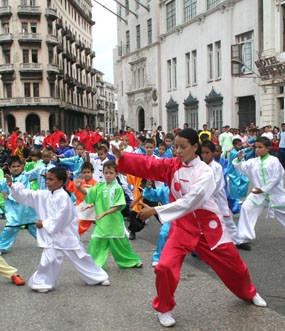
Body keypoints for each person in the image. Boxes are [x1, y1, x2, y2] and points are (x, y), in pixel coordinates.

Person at [112, 128, 266, 328]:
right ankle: (164, 308)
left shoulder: (206, 172)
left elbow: (191, 201)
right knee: (165, 266)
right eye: (175, 147)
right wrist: (124, 157)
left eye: (183, 147)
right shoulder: (172, 165)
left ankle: (249, 293)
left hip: (208, 228)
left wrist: (157, 211)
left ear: (195, 148)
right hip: (182, 226)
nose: (177, 151)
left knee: (235, 268)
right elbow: (150, 164)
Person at [10, 167, 110, 293]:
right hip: (52, 235)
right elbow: (27, 195)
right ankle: (42, 283)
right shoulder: (44, 194)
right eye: (47, 179)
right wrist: (13, 186)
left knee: (81, 257)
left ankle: (99, 277)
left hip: (66, 235)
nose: (48, 182)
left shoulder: (63, 197)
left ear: (61, 182)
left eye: (51, 179)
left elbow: (63, 216)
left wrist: (45, 223)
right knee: (48, 259)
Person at [233, 136, 285, 249]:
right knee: (247, 207)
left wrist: (264, 189)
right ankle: (243, 237)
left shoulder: (274, 160)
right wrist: (239, 160)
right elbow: (241, 167)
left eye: (260, 147)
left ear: (268, 148)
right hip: (258, 195)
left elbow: (276, 177)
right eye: (256, 147)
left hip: (276, 194)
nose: (257, 150)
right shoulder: (253, 161)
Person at [76, 160, 143, 269]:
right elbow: (87, 193)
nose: (108, 175)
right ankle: (93, 265)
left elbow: (119, 205)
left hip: (114, 223)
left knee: (120, 246)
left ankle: (133, 261)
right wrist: (79, 187)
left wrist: (104, 213)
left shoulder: (117, 188)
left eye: (111, 173)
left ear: (116, 174)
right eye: (106, 172)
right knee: (95, 242)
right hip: (102, 223)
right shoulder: (99, 186)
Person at [0, 156, 38, 254]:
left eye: (18, 166)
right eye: (13, 166)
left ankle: (49, 243)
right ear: (9, 168)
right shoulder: (7, 179)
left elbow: (22, 193)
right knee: (9, 229)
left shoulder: (24, 178)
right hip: (15, 211)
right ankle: (0, 247)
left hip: (26, 209)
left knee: (35, 229)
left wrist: (8, 196)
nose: (16, 168)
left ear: (22, 167)